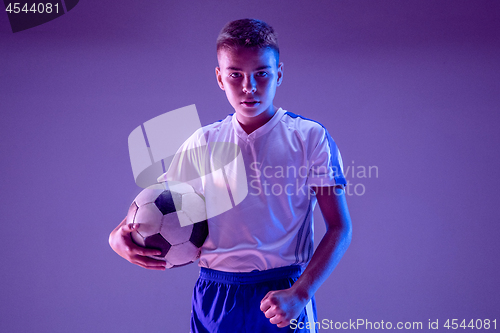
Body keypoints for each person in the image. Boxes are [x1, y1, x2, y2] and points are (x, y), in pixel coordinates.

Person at [109, 18, 352, 333]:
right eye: (235, 74)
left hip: (282, 292)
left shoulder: (308, 137)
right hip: (216, 295)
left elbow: (340, 227)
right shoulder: (204, 141)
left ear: (278, 74)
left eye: (261, 74)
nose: (248, 87)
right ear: (220, 78)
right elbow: (157, 205)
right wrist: (117, 236)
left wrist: (300, 293)